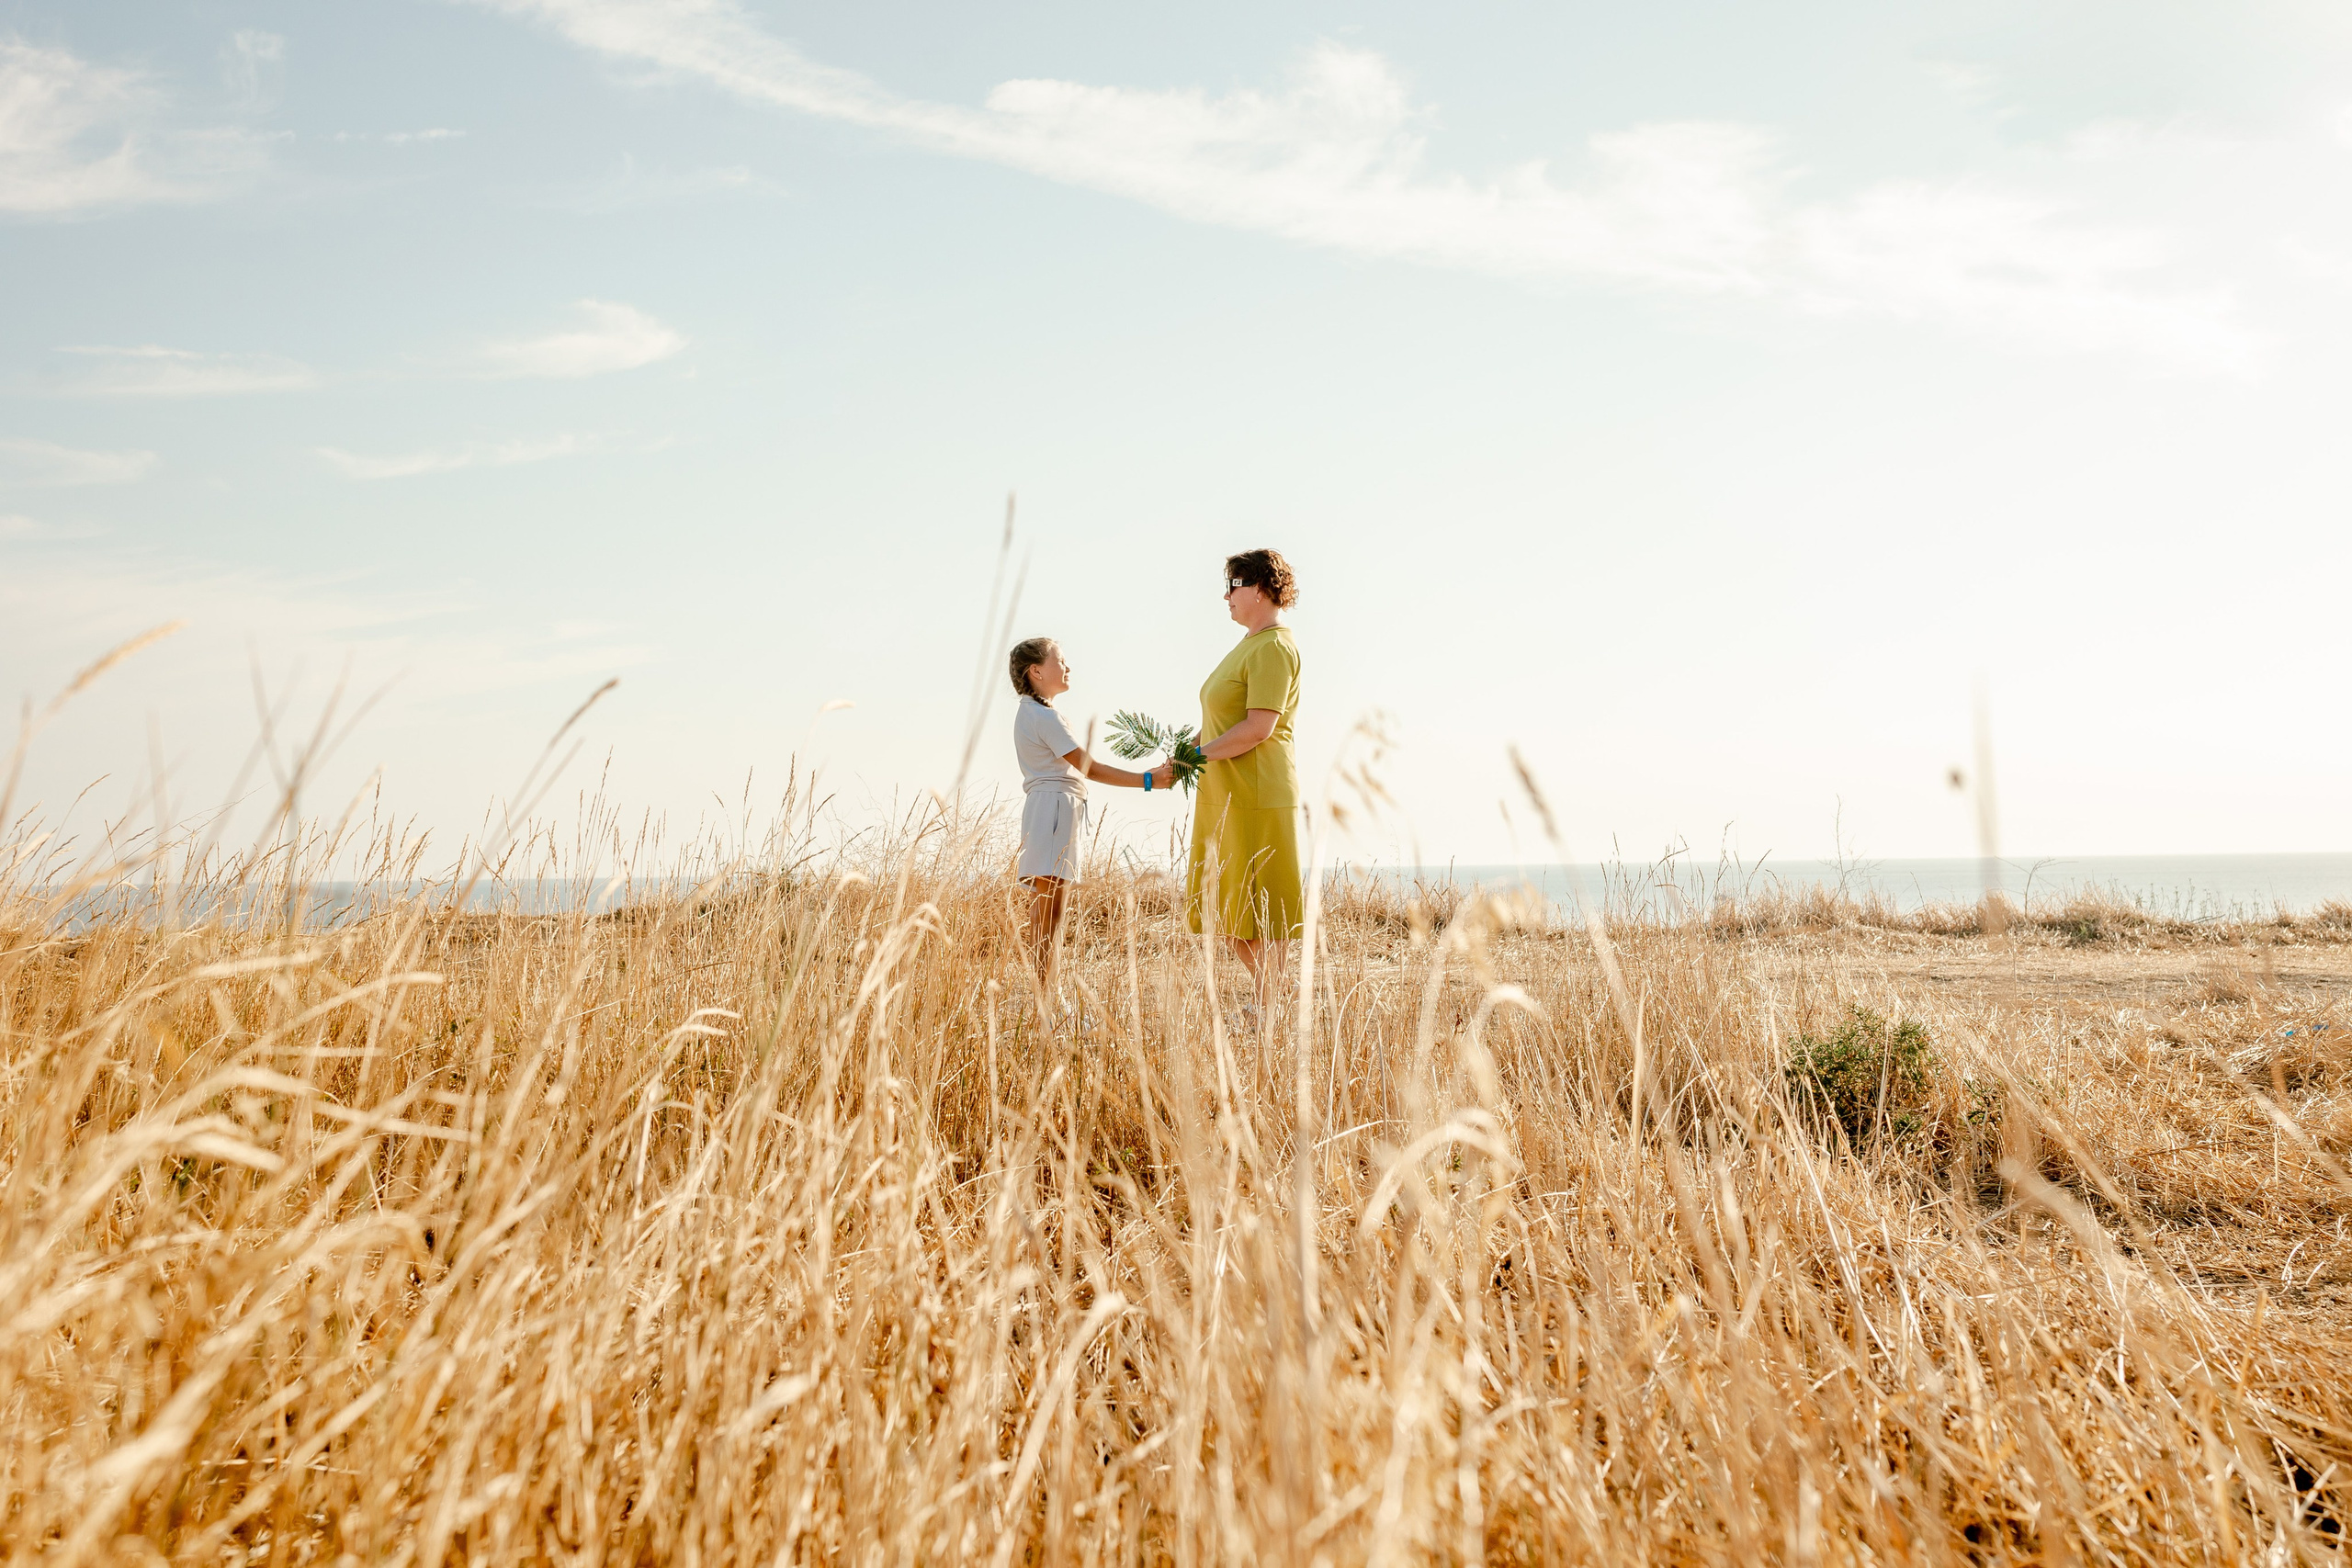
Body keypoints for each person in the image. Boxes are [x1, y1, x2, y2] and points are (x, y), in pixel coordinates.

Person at [1176, 548, 1304, 1015]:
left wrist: (1194, 756)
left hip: (1257, 792)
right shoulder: (1250, 644)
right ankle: (1273, 998)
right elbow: (1220, 723)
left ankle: (1271, 1003)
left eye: (1233, 584)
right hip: (1226, 790)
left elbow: (1258, 727)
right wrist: (1184, 753)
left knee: (1261, 907)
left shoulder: (1272, 646)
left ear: (1261, 588)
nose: (1226, 596)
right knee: (1227, 907)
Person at [1008, 637, 1159, 983]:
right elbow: (1088, 767)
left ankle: (1047, 997)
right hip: (1052, 810)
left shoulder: (1037, 713)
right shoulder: (1043, 717)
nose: (1067, 667)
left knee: (1049, 912)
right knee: (1048, 913)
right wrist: (1148, 780)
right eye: (1059, 661)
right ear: (1036, 671)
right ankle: (1046, 1000)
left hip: (1051, 808)